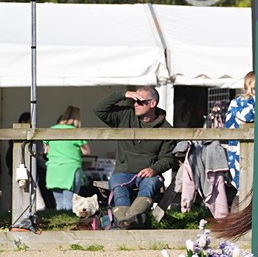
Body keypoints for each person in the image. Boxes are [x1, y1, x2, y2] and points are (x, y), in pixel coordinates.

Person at [93, 86, 176, 227]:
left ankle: (125, 222)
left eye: (140, 101)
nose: (135, 104)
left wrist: (153, 169)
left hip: (148, 173)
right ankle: (127, 222)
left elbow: (167, 159)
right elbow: (98, 109)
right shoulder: (125, 115)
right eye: (134, 101)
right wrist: (123, 94)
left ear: (152, 103)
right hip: (123, 171)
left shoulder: (166, 128)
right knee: (118, 188)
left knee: (149, 185)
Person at [43, 106, 90, 211]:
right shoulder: (76, 132)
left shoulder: (51, 130)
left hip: (53, 169)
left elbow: (46, 150)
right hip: (70, 169)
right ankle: (70, 226)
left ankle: (60, 225)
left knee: (59, 204)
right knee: (70, 203)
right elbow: (86, 151)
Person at [224, 72, 255, 190]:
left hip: (253, 146)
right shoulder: (239, 102)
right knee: (242, 183)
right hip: (237, 147)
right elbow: (246, 117)